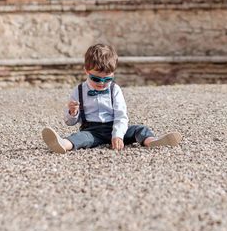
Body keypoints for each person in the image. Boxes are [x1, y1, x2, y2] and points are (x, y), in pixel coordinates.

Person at [41, 43, 182, 153]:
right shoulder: (79, 90)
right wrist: (72, 112)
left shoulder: (115, 89)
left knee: (140, 129)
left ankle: (152, 141)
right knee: (80, 138)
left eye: (107, 79)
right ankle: (62, 144)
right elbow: (70, 122)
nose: (102, 83)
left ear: (113, 74)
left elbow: (121, 115)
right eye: (96, 78)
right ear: (86, 71)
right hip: (92, 131)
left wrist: (118, 135)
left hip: (114, 126)